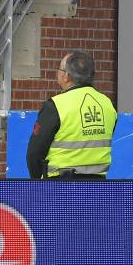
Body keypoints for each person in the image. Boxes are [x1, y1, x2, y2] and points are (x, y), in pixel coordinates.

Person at [25, 50, 117, 180]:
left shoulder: (56, 106)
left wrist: (37, 184)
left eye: (59, 69)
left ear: (66, 76)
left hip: (60, 187)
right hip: (97, 187)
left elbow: (34, 154)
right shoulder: (107, 104)